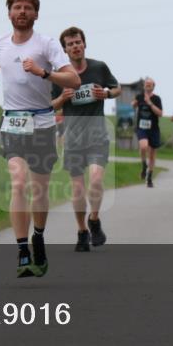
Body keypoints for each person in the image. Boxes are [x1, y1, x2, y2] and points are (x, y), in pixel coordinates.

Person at [0, 0, 79, 278]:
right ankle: (22, 249)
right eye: (17, 7)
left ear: (36, 14)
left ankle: (38, 236)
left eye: (27, 8)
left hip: (43, 124)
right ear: (9, 12)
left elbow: (73, 77)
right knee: (18, 183)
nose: (21, 12)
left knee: (40, 190)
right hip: (12, 124)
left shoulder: (46, 44)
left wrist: (43, 73)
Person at [51, 27, 120, 252]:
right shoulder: (59, 75)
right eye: (70, 44)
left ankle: (94, 219)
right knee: (78, 189)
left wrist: (107, 94)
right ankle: (82, 231)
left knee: (97, 180)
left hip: (97, 134)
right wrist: (62, 97)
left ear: (84, 44)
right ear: (65, 49)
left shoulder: (99, 67)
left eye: (78, 42)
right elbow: (49, 107)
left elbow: (117, 88)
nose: (75, 46)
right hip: (72, 138)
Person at [133, 78, 163, 187]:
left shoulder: (157, 99)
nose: (148, 86)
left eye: (150, 84)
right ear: (144, 86)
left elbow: (160, 113)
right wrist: (134, 104)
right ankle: (144, 165)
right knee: (143, 146)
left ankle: (149, 177)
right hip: (142, 127)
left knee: (152, 155)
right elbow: (134, 104)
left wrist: (150, 104)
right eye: (146, 84)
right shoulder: (139, 96)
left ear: (153, 86)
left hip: (153, 129)